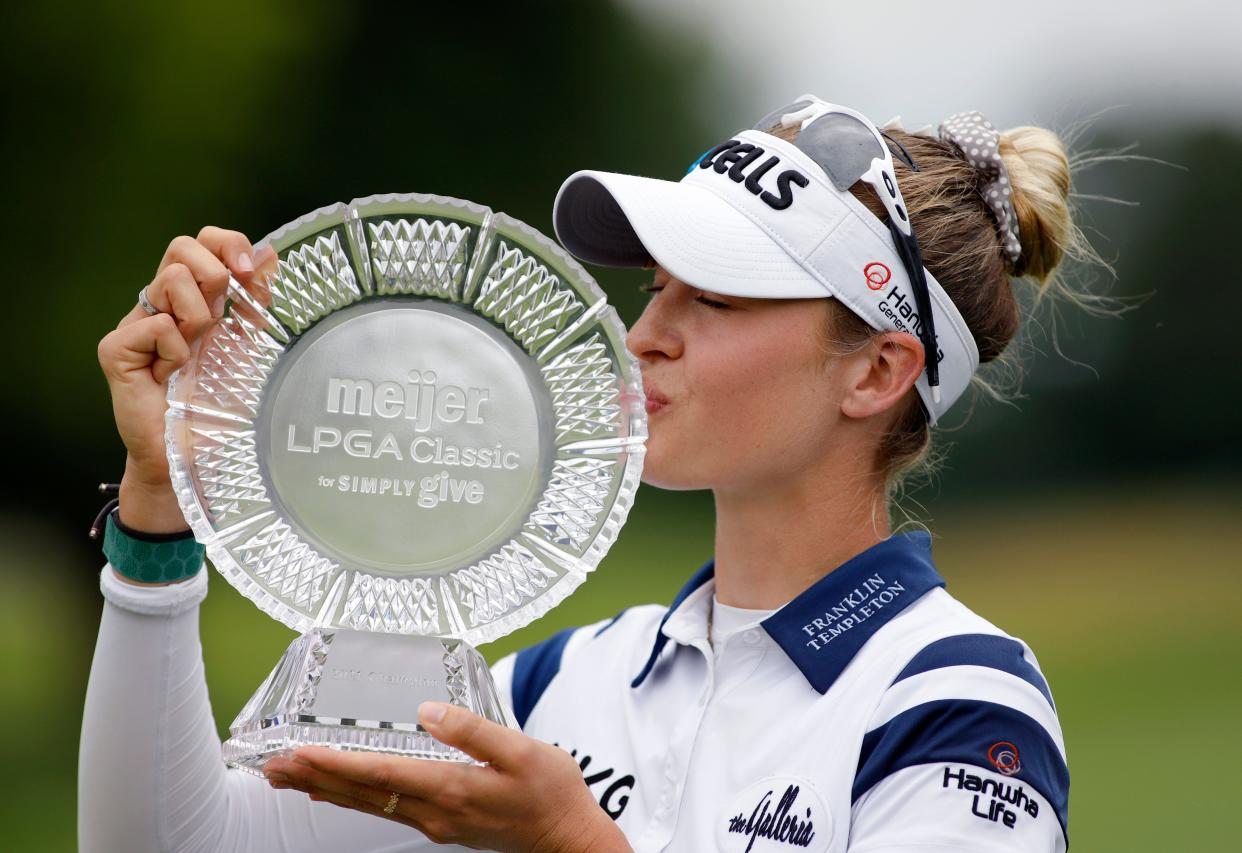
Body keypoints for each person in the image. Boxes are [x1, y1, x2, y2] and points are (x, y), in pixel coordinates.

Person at [81, 95, 1091, 852]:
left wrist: (575, 841)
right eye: (657, 288)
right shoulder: (560, 683)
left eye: (719, 299)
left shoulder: (955, 702)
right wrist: (161, 501)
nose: (644, 335)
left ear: (876, 371)